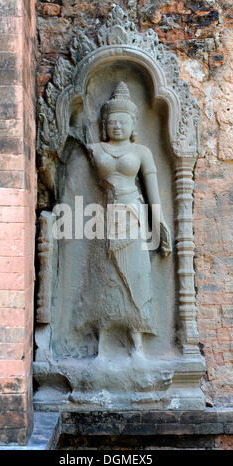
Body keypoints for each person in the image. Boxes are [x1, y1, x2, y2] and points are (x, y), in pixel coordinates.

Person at [87, 81, 172, 358]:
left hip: (133, 216)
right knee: (104, 277)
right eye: (112, 121)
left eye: (123, 121)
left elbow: (152, 193)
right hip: (102, 217)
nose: (118, 126)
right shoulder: (95, 148)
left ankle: (137, 346)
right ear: (104, 124)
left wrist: (159, 224)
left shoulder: (141, 152)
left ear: (132, 123)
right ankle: (101, 347)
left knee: (136, 277)